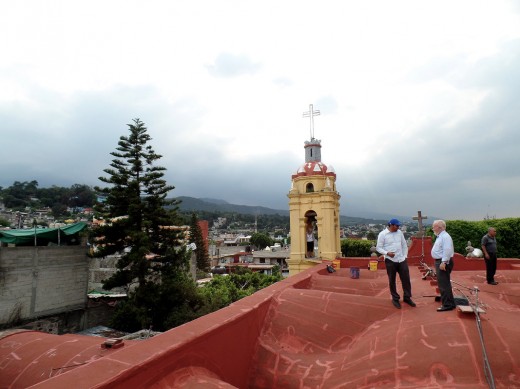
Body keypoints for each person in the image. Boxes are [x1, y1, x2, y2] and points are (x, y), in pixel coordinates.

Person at [376, 218, 415, 309]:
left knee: (406, 279)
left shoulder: (399, 233)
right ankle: (395, 298)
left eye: (398, 226)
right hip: (390, 260)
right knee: (392, 280)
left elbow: (404, 245)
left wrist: (405, 256)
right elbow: (379, 248)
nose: (398, 227)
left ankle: (407, 297)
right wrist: (387, 253)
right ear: (391, 225)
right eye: (396, 226)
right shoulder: (383, 234)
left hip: (401, 259)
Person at [431, 220, 456, 312]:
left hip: (443, 262)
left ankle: (447, 304)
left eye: (434, 226)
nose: (433, 228)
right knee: (444, 283)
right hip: (441, 261)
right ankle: (450, 303)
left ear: (440, 227)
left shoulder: (445, 236)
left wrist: (444, 262)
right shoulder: (440, 236)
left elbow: (447, 250)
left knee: (443, 284)